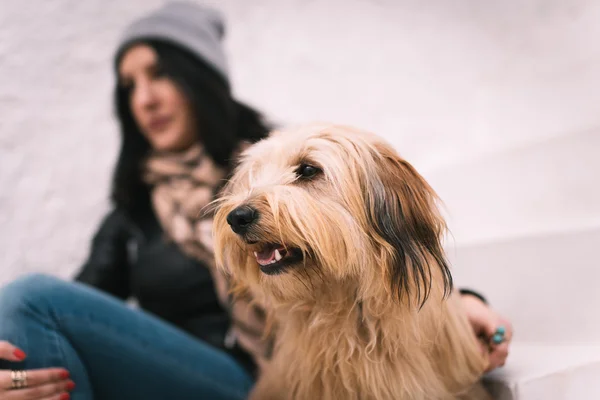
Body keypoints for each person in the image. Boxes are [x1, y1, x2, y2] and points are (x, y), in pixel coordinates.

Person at [0, 3, 512, 399]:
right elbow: (80, 308)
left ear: (199, 79)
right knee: (28, 305)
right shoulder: (132, 212)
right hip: (196, 374)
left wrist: (464, 299)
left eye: (160, 75)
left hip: (287, 364)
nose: (144, 99)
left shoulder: (284, 150)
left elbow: (376, 227)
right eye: (129, 86)